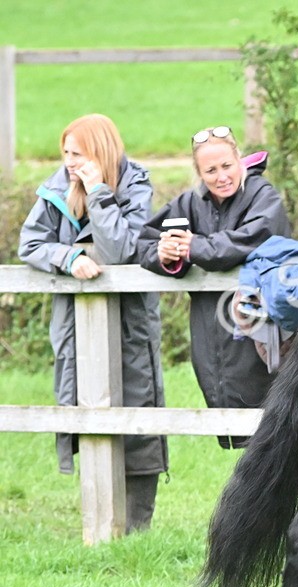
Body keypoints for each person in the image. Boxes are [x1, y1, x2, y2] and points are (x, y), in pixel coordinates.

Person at [18, 114, 167, 532]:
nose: (69, 162)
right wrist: (68, 258)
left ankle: (137, 530)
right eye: (65, 153)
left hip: (130, 321)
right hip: (74, 323)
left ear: (100, 152)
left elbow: (120, 249)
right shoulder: (55, 189)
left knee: (138, 405)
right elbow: (30, 243)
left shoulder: (134, 185)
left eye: (77, 154)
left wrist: (99, 191)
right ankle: (99, 524)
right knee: (82, 405)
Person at [136, 126, 291, 448]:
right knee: (242, 435)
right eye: (210, 170)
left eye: (226, 166)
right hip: (210, 331)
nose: (221, 176)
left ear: (239, 160)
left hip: (261, 327)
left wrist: (193, 248)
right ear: (199, 173)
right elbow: (145, 243)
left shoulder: (264, 196)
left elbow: (252, 240)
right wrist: (165, 254)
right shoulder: (190, 203)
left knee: (279, 429)